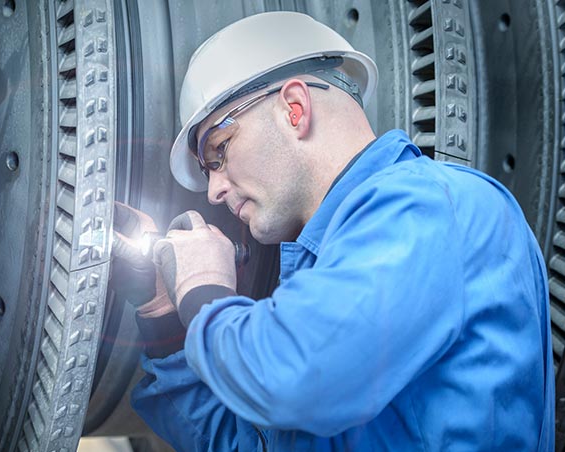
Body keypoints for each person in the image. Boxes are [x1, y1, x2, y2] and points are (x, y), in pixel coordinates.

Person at [110, 11, 554, 451]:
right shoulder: (326, 271)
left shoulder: (430, 208)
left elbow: (290, 380)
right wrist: (164, 311)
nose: (214, 190)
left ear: (294, 109)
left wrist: (203, 289)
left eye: (219, 152)